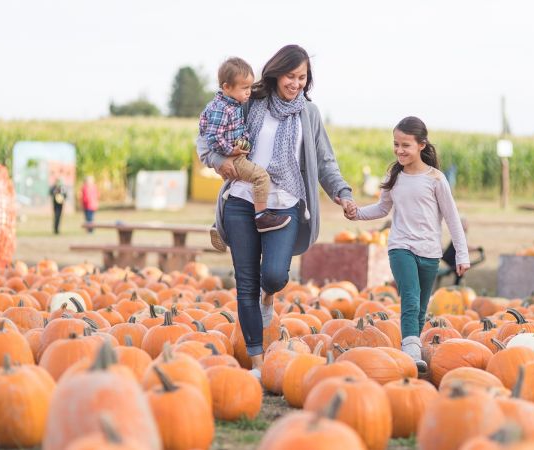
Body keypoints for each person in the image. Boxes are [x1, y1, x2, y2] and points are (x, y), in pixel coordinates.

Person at [197, 45, 354, 379]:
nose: (296, 83)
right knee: (245, 283)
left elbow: (325, 161)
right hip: (241, 199)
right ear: (276, 72)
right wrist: (220, 161)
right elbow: (206, 138)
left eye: (302, 77)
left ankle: (271, 296)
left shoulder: (308, 114)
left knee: (274, 276)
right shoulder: (249, 100)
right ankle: (256, 361)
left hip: (286, 203)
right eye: (290, 76)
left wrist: (341, 192)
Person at [344, 116, 470, 372]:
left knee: (422, 306)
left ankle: (412, 348)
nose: (399, 150)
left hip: (430, 252)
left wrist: (462, 255)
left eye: (405, 145)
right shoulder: (395, 175)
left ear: (421, 145)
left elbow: (452, 219)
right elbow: (382, 208)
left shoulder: (436, 179)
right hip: (401, 247)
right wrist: (356, 213)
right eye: (396, 144)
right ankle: (411, 353)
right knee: (410, 299)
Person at [200, 57, 291, 253]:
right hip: (233, 156)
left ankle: (219, 224)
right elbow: (212, 137)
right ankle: (261, 217)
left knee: (232, 187)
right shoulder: (220, 109)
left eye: (250, 87)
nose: (248, 92)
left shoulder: (233, 104)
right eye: (244, 88)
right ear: (226, 87)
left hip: (237, 152)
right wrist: (230, 152)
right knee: (260, 177)